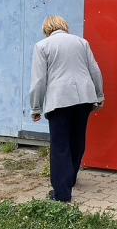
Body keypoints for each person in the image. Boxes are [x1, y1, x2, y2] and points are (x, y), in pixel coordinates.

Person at [30, 16, 104, 202]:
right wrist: (99, 95)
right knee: (77, 140)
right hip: (84, 99)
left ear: (47, 29)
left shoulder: (42, 46)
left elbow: (39, 80)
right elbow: (95, 70)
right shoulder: (82, 42)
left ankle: (62, 195)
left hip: (59, 100)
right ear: (64, 26)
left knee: (60, 146)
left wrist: (36, 107)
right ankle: (69, 179)